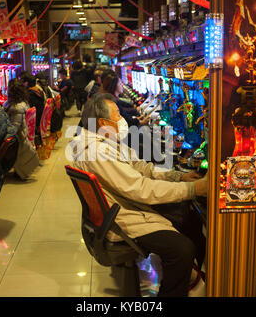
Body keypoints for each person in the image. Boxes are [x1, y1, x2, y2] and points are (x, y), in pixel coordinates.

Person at [70, 93, 207, 297]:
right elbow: (139, 189)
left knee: (189, 217)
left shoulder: (105, 141)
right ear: (103, 122)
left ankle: (191, 277)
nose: (122, 118)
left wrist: (178, 176)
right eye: (117, 114)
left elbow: (140, 167)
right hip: (123, 218)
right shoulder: (97, 151)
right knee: (182, 249)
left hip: (123, 206)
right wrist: (193, 189)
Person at [3, 79, 40, 180]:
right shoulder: (24, 103)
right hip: (24, 134)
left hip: (19, 138)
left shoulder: (16, 108)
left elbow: (14, 128)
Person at [19, 72, 47, 146]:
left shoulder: (30, 94)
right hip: (38, 122)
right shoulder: (37, 90)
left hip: (34, 124)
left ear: (26, 83)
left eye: (21, 81)